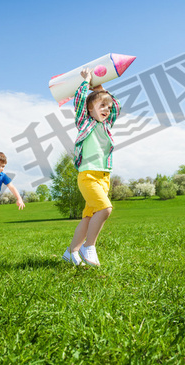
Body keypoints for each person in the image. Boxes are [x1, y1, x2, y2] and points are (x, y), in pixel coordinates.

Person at [62, 68, 121, 267]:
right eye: (101, 105)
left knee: (88, 217)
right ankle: (90, 246)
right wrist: (86, 82)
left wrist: (102, 89)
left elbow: (117, 108)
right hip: (88, 175)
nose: (106, 109)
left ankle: (71, 252)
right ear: (89, 109)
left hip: (104, 177)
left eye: (108, 106)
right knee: (105, 209)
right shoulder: (84, 123)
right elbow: (79, 101)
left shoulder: (107, 125)